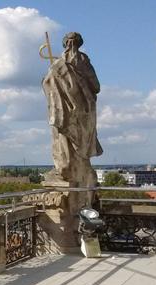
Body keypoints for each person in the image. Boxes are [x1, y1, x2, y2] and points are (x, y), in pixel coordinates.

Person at [42, 32, 102, 184]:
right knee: (80, 144)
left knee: (64, 140)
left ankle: (66, 169)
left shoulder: (57, 65)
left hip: (65, 114)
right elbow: (96, 86)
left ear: (65, 44)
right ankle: (72, 169)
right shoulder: (83, 63)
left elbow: (46, 85)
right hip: (84, 112)